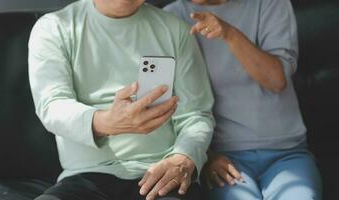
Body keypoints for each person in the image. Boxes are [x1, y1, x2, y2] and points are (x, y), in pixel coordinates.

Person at [28, 0, 215, 199]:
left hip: (162, 173)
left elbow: (196, 114)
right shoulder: (54, 28)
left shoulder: (175, 29)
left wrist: (183, 158)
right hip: (85, 177)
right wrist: (108, 122)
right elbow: (52, 106)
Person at [164, 0, 322, 199]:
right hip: (222, 158)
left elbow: (276, 80)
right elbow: (170, 107)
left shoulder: (270, 4)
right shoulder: (171, 17)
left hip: (286, 152)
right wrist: (206, 157)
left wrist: (229, 33)